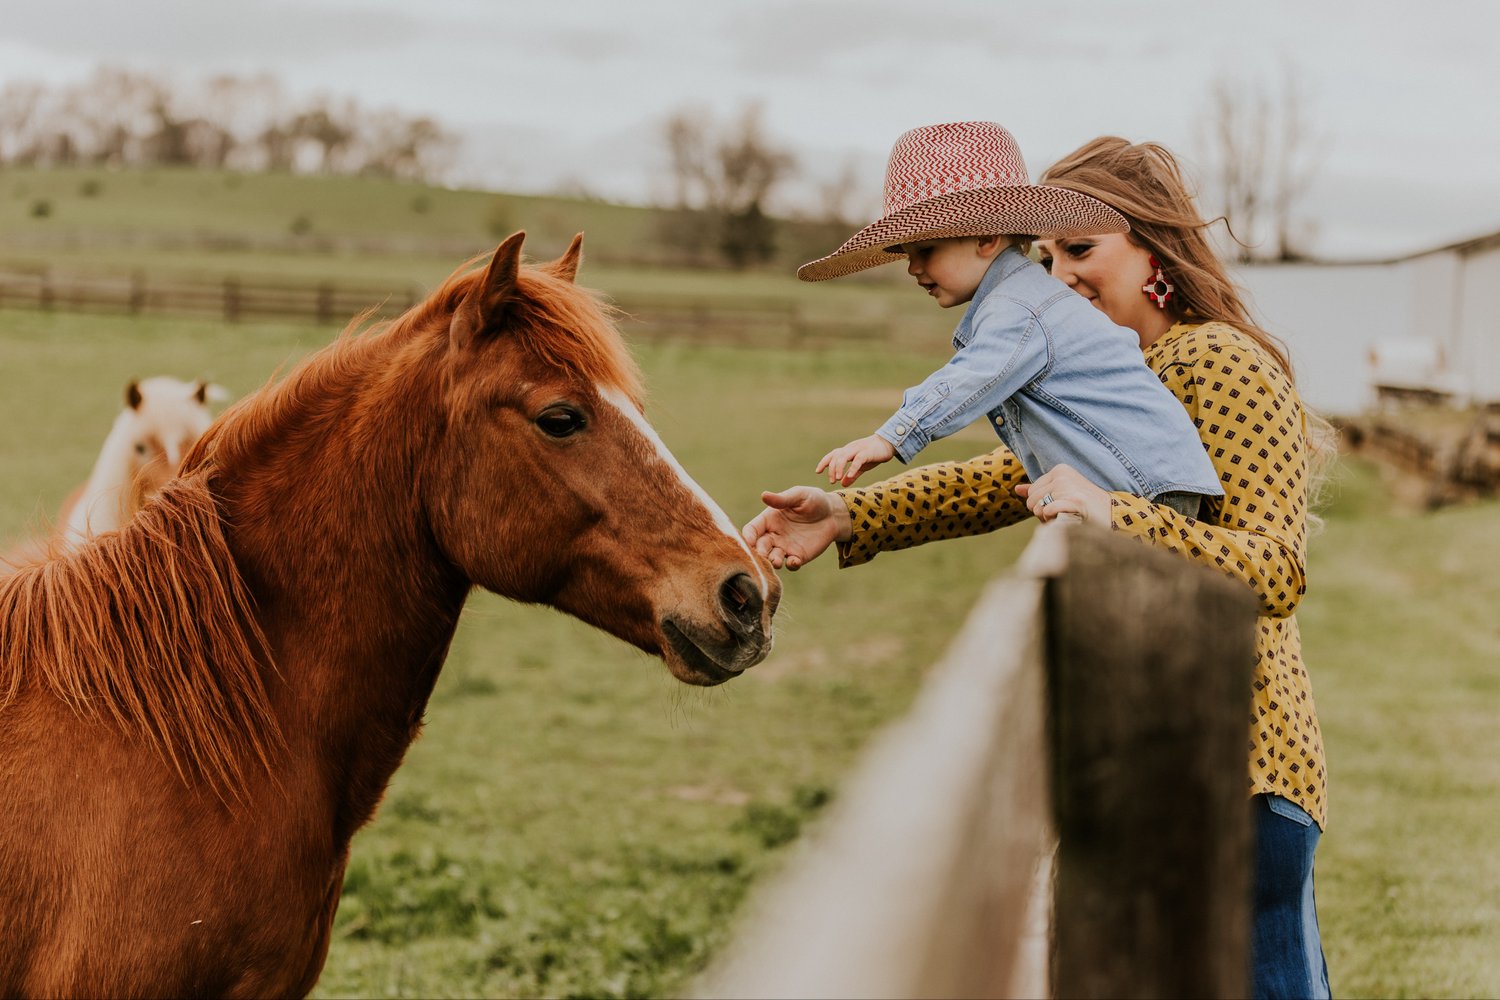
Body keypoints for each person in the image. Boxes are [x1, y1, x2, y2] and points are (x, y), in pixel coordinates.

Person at [744, 135, 1333, 1000]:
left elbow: (1275, 573)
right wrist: (847, 515)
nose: (1061, 277)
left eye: (1083, 250)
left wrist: (1114, 511)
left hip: (1238, 766)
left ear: (1153, 246)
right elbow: (997, 482)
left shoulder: (1224, 363)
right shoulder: (1108, 372)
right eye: (1050, 255)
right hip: (1146, 751)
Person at [801, 121, 1222, 520]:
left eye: (925, 250)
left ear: (986, 238)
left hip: (1146, 485)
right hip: (1150, 480)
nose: (913, 269)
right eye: (906, 254)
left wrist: (892, 436)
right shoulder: (1022, 301)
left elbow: (972, 375)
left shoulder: (1020, 307)